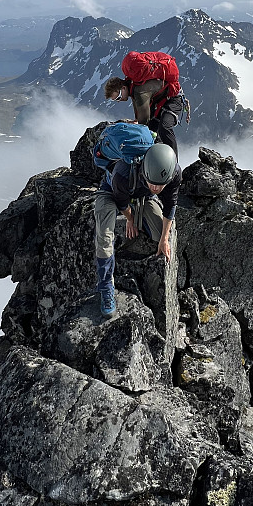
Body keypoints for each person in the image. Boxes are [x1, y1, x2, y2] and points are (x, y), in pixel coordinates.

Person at [94, 142, 181, 317]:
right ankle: (106, 288)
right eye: (152, 183)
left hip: (142, 196)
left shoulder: (173, 173)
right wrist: (131, 219)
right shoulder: (123, 173)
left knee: (161, 235)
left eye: (160, 185)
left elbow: (171, 205)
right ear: (144, 171)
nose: (156, 188)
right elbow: (120, 202)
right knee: (104, 237)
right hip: (111, 192)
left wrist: (164, 239)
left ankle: (143, 210)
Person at [104, 51, 185, 156]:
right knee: (153, 132)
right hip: (162, 101)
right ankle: (160, 159)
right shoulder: (132, 85)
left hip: (174, 99)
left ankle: (174, 162)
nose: (119, 100)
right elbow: (139, 111)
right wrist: (137, 121)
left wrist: (137, 126)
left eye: (119, 97)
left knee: (164, 127)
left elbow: (144, 120)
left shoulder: (139, 92)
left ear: (123, 87)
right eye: (116, 100)